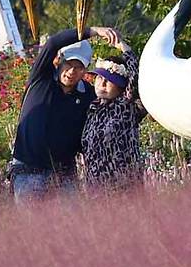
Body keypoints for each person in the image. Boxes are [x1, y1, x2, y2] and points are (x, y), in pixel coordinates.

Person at [10, 25, 119, 200]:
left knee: (71, 226)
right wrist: (93, 31)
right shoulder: (41, 79)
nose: (71, 72)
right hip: (28, 173)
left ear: (85, 69)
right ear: (59, 60)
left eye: (79, 67)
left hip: (65, 176)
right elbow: (52, 43)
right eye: (69, 64)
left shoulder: (88, 94)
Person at [81, 37, 146, 188]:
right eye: (99, 78)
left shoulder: (126, 105)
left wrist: (124, 48)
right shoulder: (92, 109)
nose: (102, 84)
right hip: (96, 188)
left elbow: (135, 76)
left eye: (109, 81)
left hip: (123, 186)